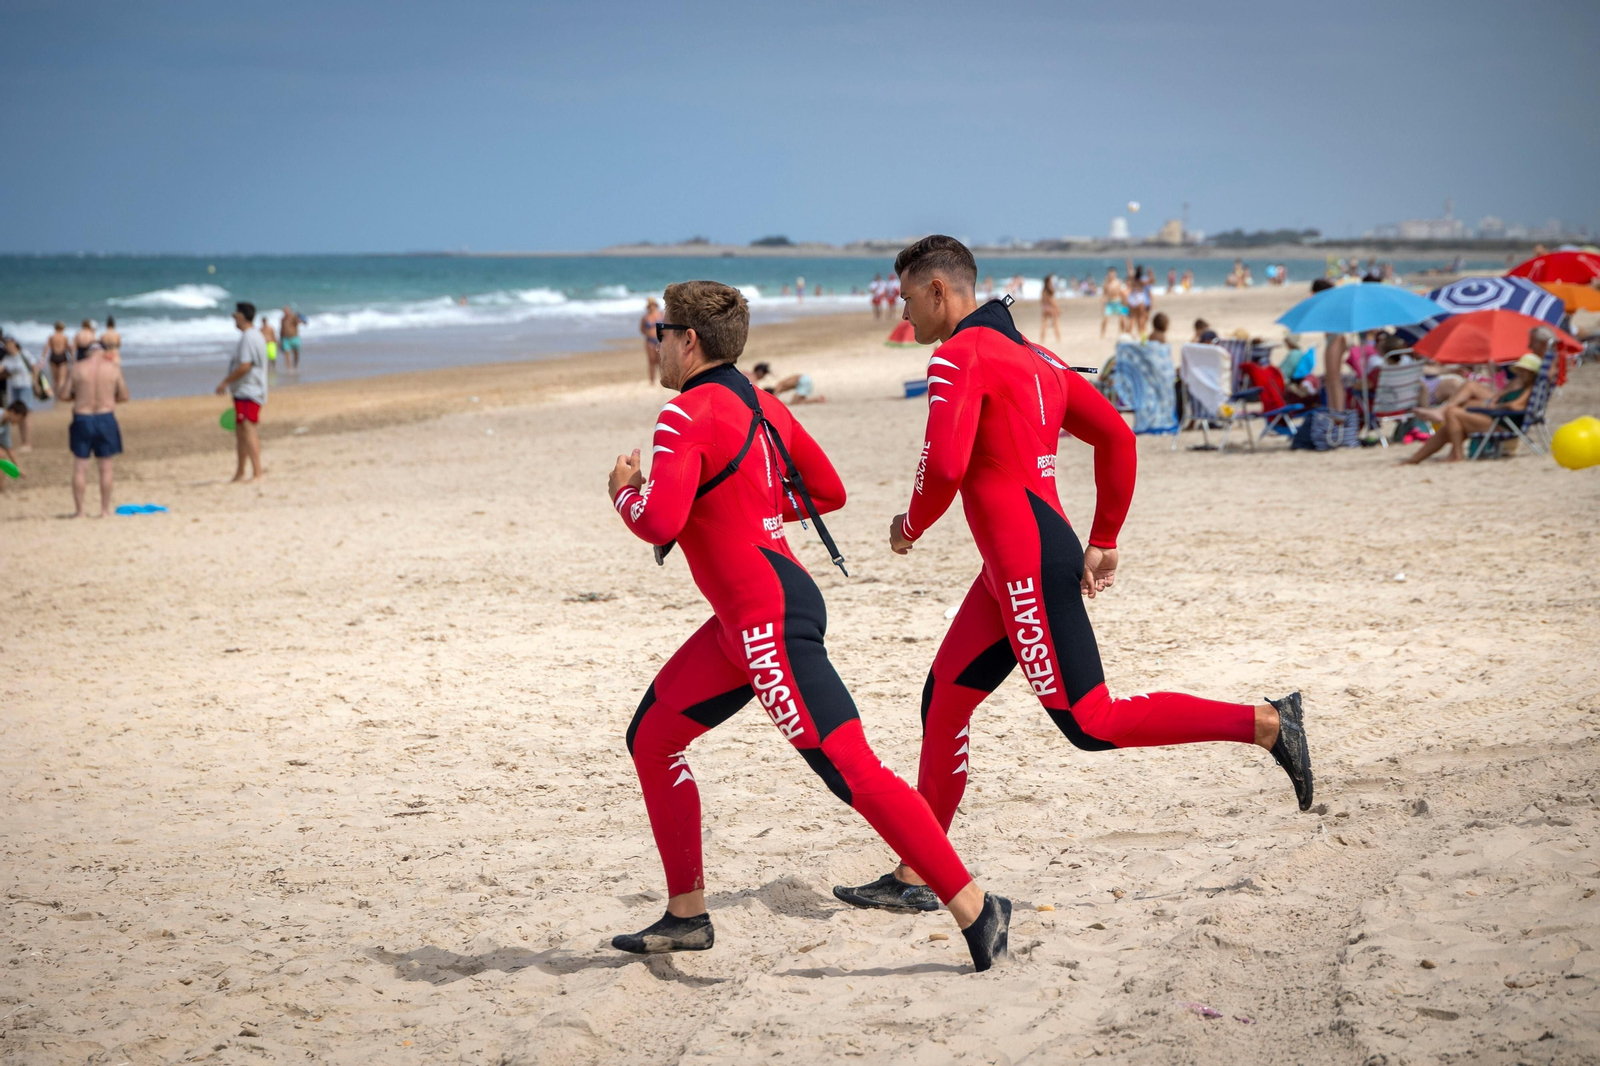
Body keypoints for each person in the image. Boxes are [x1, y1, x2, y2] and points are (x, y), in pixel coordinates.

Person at [831, 236, 1312, 913]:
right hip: (1014, 564)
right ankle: (919, 873)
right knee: (944, 702)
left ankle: (1265, 723)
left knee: (1091, 721)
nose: (904, 313)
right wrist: (1104, 537)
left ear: (939, 290)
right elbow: (1116, 435)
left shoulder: (960, 355)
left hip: (1025, 562)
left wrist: (908, 526)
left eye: (908, 298)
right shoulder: (1038, 357)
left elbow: (944, 467)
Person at [606, 280, 1011, 969]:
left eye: (662, 334)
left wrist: (624, 493)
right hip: (747, 617)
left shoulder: (682, 415)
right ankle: (686, 914)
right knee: (652, 737)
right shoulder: (762, 404)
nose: (658, 344)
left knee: (851, 769)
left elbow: (660, 521)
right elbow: (828, 491)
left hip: (764, 615)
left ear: (688, 340)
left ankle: (975, 905)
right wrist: (751, 509)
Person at [1402, 350, 1542, 465]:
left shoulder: (1530, 388)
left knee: (1452, 413)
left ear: (1532, 373)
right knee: (1449, 425)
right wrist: (1501, 395)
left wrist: (1498, 406)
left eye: (1524, 371)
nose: (1520, 373)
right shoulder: (1518, 383)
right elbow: (1501, 395)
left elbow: (1516, 406)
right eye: (1520, 370)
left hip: (1504, 423)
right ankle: (1415, 459)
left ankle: (1457, 454)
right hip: (1498, 418)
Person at [60, 341, 128, 517]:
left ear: (87, 353)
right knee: (106, 467)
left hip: (83, 417)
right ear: (103, 352)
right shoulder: (113, 368)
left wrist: (80, 396)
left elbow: (64, 394)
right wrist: (108, 397)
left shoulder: (77, 368)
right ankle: (104, 510)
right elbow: (124, 395)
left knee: (80, 467)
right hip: (105, 416)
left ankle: (80, 511)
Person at [217, 301, 267, 482]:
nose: (233, 318)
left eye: (235, 315)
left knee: (248, 429)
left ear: (242, 316)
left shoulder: (248, 337)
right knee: (241, 432)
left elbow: (245, 365)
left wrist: (225, 381)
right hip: (247, 390)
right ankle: (240, 472)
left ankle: (257, 471)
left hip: (249, 390)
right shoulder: (255, 335)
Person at [1311, 278, 1348, 411]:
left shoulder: (1330, 303)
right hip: (1335, 338)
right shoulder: (1332, 302)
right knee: (1331, 379)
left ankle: (1338, 412)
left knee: (1334, 379)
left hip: (1336, 337)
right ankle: (1334, 411)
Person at [1, 337, 39, 451]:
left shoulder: (24, 354)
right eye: (6, 345)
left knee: (25, 414)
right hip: (15, 387)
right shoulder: (8, 358)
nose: (8, 347)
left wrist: (35, 382)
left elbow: (35, 367)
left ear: (14, 344)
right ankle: (23, 442)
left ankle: (27, 442)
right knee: (18, 415)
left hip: (26, 386)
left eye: (10, 344)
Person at [747, 361, 824, 404]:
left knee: (795, 402)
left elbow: (775, 398)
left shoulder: (778, 386)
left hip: (802, 381)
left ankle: (817, 399)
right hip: (803, 380)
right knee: (798, 401)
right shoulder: (780, 386)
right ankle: (817, 399)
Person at [639, 298, 664, 385]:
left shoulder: (661, 315)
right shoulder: (645, 317)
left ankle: (662, 380)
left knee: (661, 361)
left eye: (653, 305)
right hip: (650, 340)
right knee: (651, 361)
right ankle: (652, 381)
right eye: (650, 305)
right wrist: (648, 333)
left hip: (660, 340)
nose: (652, 307)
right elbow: (642, 329)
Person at [43, 321, 73, 395]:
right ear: (62, 328)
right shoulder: (64, 337)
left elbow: (46, 347)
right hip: (62, 357)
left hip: (53, 357)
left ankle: (56, 395)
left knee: (55, 380)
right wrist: (72, 357)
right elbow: (69, 348)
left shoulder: (51, 337)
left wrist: (43, 358)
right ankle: (60, 395)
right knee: (62, 380)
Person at [1099, 267, 1128, 338]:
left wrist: (1125, 303)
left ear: (1115, 274)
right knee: (1105, 319)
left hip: (1118, 302)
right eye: (1110, 274)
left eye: (1113, 274)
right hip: (1109, 303)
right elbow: (1104, 294)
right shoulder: (1105, 283)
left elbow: (1123, 293)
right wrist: (1102, 303)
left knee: (1123, 319)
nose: (1111, 275)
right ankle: (1102, 333)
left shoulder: (1118, 282)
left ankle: (1123, 333)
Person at [1125, 261, 1152, 337]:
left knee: (1131, 317)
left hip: (1132, 298)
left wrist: (1129, 264)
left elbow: (1129, 271)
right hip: (1139, 298)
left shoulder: (1132, 280)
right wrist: (1150, 273)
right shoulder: (1142, 281)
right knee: (1141, 318)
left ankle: (1129, 334)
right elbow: (1152, 280)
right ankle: (1141, 334)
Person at [280, 306, 304, 371]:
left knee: (296, 353)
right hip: (285, 339)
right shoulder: (283, 319)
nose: (286, 313)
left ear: (289, 311)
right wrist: (281, 339)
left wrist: (298, 318)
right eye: (284, 312)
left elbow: (300, 322)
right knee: (286, 354)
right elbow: (281, 329)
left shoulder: (293, 317)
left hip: (294, 338)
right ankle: (289, 368)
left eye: (287, 311)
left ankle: (295, 365)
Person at [1038, 273, 1061, 343]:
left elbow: (1041, 301)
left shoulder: (1043, 290)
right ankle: (1058, 339)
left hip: (1045, 308)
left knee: (1044, 325)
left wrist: (1044, 307)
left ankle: (1042, 339)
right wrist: (1057, 308)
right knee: (1055, 324)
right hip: (1051, 308)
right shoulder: (1050, 290)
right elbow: (1052, 300)